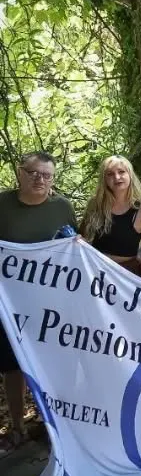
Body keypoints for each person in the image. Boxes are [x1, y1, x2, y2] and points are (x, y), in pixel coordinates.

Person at [0, 151, 76, 451]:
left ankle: (52, 423)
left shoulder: (62, 208)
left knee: (52, 362)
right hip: (9, 302)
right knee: (12, 366)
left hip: (51, 303)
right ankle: (17, 427)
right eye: (33, 173)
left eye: (46, 175)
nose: (39, 179)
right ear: (20, 173)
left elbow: (72, 246)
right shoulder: (3, 204)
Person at [81, 155, 141, 280]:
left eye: (121, 172)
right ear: (104, 179)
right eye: (110, 174)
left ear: (130, 175)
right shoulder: (94, 205)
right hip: (94, 271)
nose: (117, 177)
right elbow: (81, 238)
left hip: (126, 276)